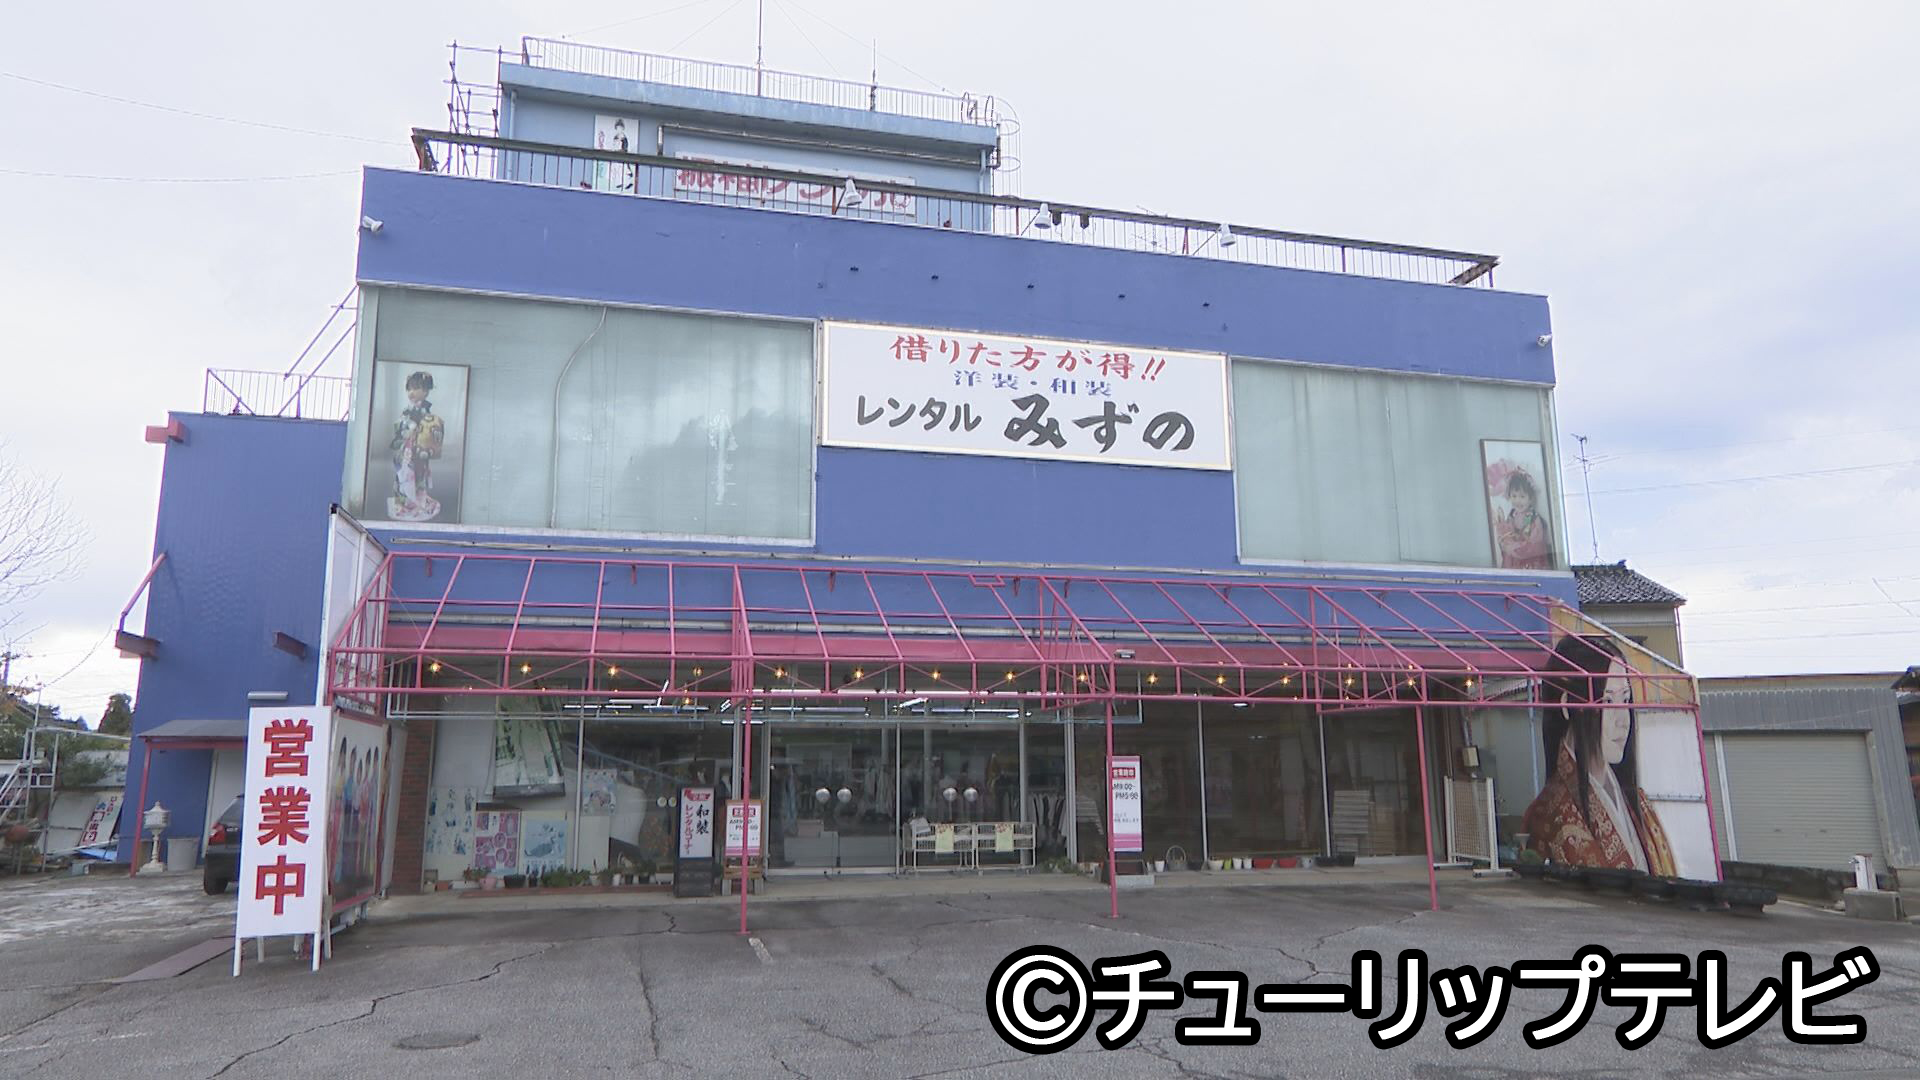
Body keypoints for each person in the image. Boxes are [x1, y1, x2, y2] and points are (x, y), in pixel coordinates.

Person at [1522, 635, 1676, 875]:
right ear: (1568, 705)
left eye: (1625, 700)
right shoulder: (1549, 815)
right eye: (1608, 701)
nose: (1622, 720)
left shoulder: (1638, 802)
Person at [387, 370, 445, 521]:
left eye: (416, 388)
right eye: (409, 389)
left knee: (419, 477)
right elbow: (400, 426)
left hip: (418, 451)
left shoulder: (425, 411)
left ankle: (416, 505)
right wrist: (407, 426)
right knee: (403, 477)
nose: (411, 392)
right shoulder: (408, 411)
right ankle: (403, 505)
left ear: (425, 391)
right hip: (406, 450)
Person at [1494, 468, 1553, 570]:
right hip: (1514, 562)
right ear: (1509, 496)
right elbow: (1506, 535)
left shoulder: (1534, 519)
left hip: (1530, 563)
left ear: (1530, 498)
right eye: (1514, 496)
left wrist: (1514, 547)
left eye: (1522, 496)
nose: (1518, 501)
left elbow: (1535, 544)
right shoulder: (1512, 516)